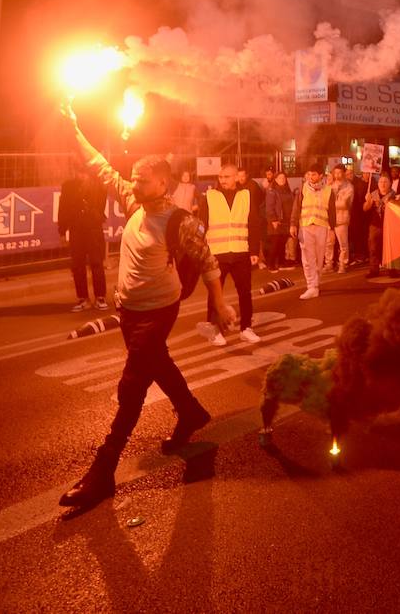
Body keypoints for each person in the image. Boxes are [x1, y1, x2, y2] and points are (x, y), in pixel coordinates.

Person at [57, 103, 234, 512]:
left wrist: (221, 306)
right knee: (159, 365)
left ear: (162, 184)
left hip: (159, 310)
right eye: (133, 179)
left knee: (132, 385)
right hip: (130, 311)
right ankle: (190, 412)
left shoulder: (179, 221)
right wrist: (74, 128)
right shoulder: (133, 202)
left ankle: (103, 471)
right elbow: (100, 165)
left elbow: (208, 262)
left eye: (141, 180)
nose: (132, 184)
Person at [199, 163, 263, 346]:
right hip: (217, 254)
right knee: (214, 294)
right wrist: (202, 251)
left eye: (227, 177)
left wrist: (254, 250)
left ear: (236, 177)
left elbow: (254, 224)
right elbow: (202, 225)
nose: (223, 180)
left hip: (240, 252)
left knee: (245, 292)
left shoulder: (246, 195)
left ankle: (246, 328)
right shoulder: (210, 197)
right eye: (220, 177)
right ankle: (215, 330)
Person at [57, 164, 108, 312]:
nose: (80, 175)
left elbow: (100, 206)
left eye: (83, 172)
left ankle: (100, 297)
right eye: (78, 172)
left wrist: (93, 214)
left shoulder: (98, 186)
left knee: (96, 263)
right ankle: (83, 298)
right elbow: (63, 208)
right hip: (76, 230)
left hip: (93, 229)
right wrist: (62, 230)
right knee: (78, 265)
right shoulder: (68, 187)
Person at [291, 163, 330, 299]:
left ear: (321, 176)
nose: (311, 176)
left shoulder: (329, 190)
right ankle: (311, 286)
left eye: (314, 174)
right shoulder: (303, 188)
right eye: (309, 174)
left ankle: (316, 284)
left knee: (319, 258)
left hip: (322, 226)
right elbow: (296, 207)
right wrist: (293, 224)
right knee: (308, 258)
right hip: (305, 226)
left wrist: (333, 227)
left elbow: (332, 211)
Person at [327, 164, 354, 274]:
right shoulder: (330, 185)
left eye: (339, 173)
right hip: (330, 218)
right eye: (335, 173)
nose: (337, 175)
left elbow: (345, 204)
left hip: (342, 218)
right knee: (328, 243)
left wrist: (332, 203)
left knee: (343, 244)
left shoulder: (349, 187)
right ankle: (328, 263)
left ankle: (343, 263)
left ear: (343, 173)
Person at [364, 173, 393, 275]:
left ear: (390, 183)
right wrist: (368, 201)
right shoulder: (373, 194)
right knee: (373, 247)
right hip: (375, 225)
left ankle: (391, 268)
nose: (383, 184)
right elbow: (365, 208)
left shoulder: (394, 195)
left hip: (389, 226)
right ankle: (374, 270)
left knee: (389, 248)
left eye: (385, 182)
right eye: (381, 181)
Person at [264, 171, 292, 271]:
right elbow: (269, 207)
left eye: (284, 178)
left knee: (282, 243)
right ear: (275, 180)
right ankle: (270, 264)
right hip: (276, 221)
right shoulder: (272, 191)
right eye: (280, 178)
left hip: (285, 221)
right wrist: (273, 220)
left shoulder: (287, 190)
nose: (282, 180)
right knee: (275, 243)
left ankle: (281, 263)